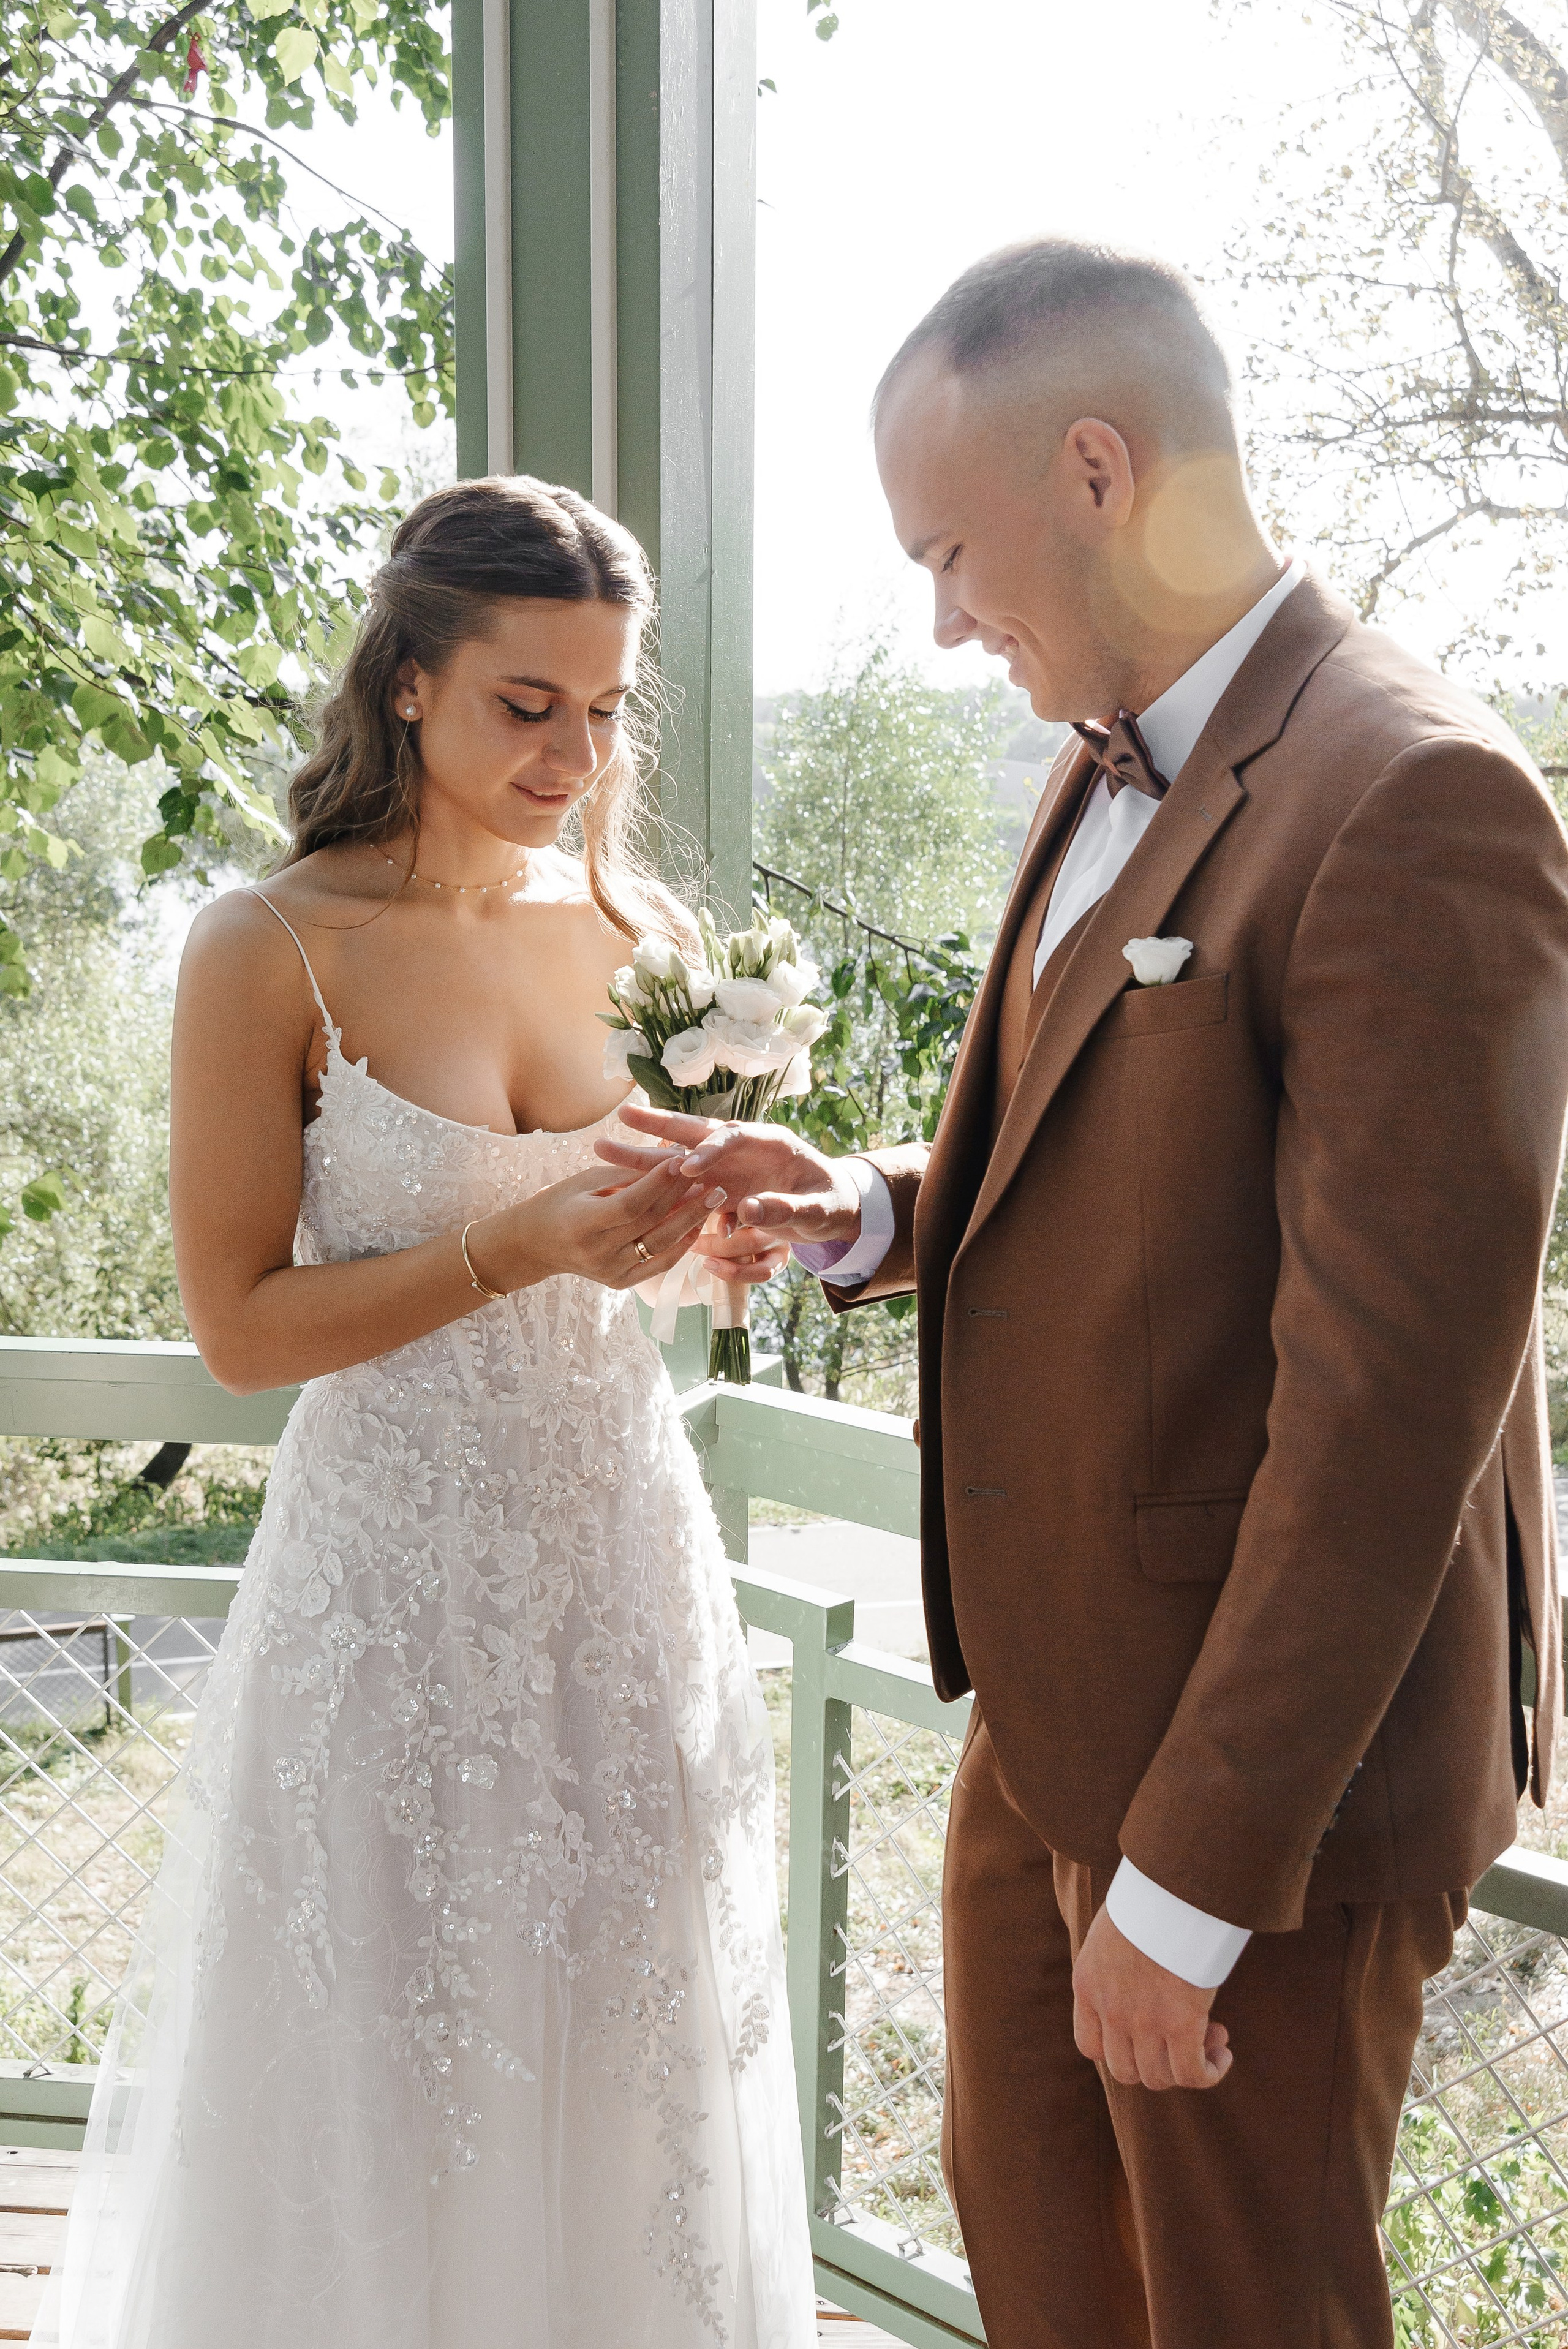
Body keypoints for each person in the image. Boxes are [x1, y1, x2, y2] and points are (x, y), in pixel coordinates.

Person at [597, 239, 1568, 2348]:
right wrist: (868, 1205)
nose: (946, 617)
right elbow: (1117, 1186)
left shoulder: (1418, 799)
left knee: (1238, 2312)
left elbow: (1390, 1415)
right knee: (1041, 2257)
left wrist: (1198, 1883)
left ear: (1102, 470)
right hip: (1046, 1722)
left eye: (952, 550)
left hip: (1261, 1797)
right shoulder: (1104, 747)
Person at [37, 477, 814, 2349]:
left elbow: (629, 1258)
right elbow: (237, 1327)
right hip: (392, 1591)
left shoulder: (639, 926)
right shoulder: (269, 944)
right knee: (384, 2065)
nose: (576, 753)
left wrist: (705, 1239)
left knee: (628, 2067)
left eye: (608, 708)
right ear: (409, 684)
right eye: (524, 705)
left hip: (619, 1568)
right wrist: (523, 1240)